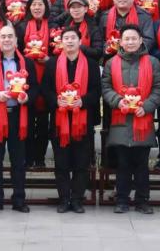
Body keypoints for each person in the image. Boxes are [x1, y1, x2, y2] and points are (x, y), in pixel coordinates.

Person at [0, 25, 40, 212]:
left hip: (18, 117)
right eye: (3, 36)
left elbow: (35, 87)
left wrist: (27, 97)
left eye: (10, 36)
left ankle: (19, 200)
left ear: (16, 40)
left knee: (18, 161)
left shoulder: (27, 62)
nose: (7, 40)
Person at [104, 25, 160, 214]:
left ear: (140, 41)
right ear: (120, 42)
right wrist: (118, 101)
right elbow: (106, 87)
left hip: (143, 120)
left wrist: (146, 107)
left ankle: (142, 201)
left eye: (133, 39)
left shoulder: (152, 62)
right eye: (126, 39)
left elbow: (159, 87)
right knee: (122, 164)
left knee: (141, 164)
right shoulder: (111, 63)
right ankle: (122, 200)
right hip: (120, 120)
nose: (130, 42)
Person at [42, 27, 101, 213]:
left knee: (81, 163)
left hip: (82, 120)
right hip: (59, 121)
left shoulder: (91, 64)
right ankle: (64, 199)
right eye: (66, 38)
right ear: (61, 42)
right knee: (61, 163)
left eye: (73, 38)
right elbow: (45, 89)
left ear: (80, 41)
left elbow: (96, 91)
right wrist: (55, 100)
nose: (69, 41)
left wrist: (83, 101)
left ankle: (77, 200)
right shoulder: (52, 64)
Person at [15, 0, 52, 168]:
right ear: (29, 7)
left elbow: (58, 49)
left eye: (40, 4)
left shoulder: (52, 25)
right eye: (34, 4)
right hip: (27, 76)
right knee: (27, 120)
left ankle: (40, 158)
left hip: (47, 75)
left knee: (43, 122)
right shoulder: (21, 26)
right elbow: (16, 51)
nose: (37, 7)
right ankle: (28, 157)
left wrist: (49, 60)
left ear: (46, 7)